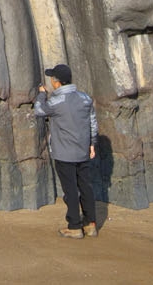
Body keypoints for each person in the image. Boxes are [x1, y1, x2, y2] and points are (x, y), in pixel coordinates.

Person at [35, 63, 98, 238]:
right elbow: (92, 122)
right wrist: (92, 143)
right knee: (85, 186)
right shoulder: (85, 98)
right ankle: (90, 224)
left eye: (52, 79)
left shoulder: (56, 101)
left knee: (70, 190)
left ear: (56, 82)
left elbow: (39, 110)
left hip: (64, 153)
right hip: (82, 150)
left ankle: (75, 226)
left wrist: (41, 94)